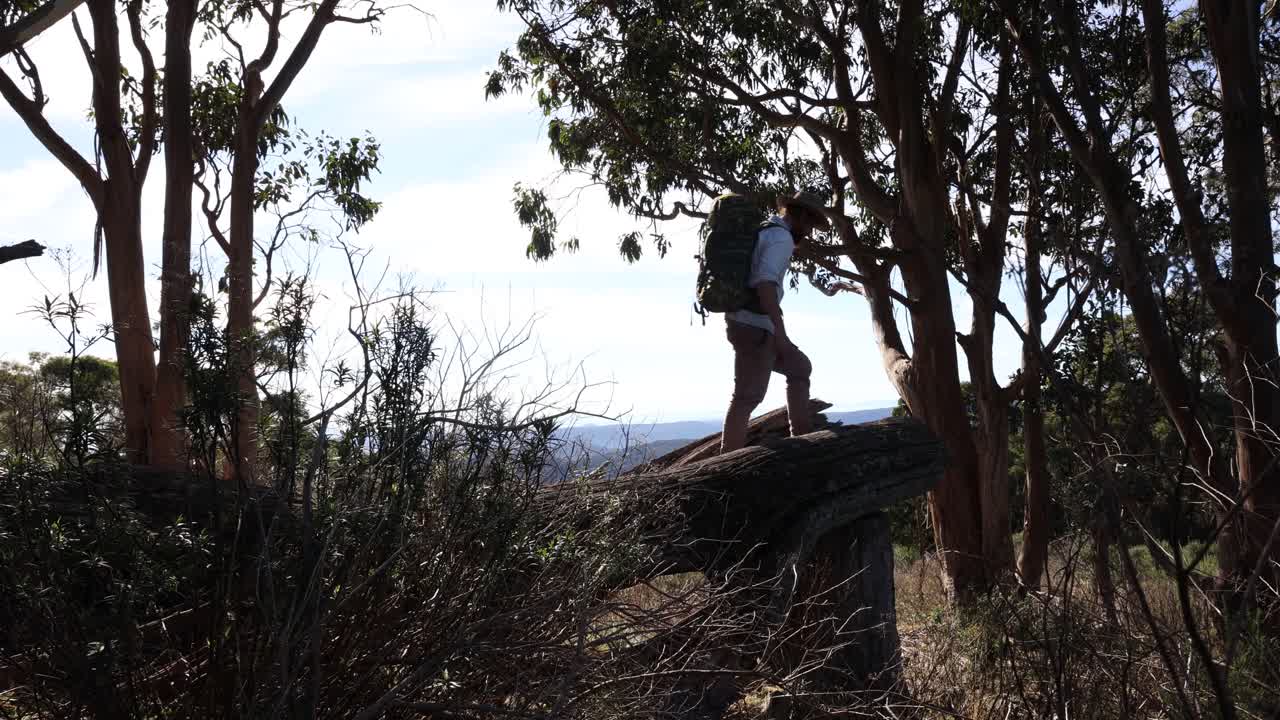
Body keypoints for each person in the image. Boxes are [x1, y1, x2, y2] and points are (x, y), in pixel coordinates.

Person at [720, 191, 830, 453]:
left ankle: (802, 440)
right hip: (755, 326)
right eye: (810, 224)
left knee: (799, 366)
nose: (810, 232)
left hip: (747, 322)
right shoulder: (781, 238)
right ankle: (725, 463)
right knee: (747, 397)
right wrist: (781, 334)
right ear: (801, 215)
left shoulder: (766, 230)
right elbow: (765, 284)